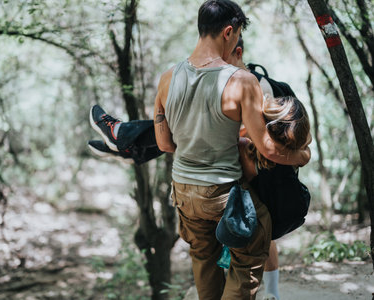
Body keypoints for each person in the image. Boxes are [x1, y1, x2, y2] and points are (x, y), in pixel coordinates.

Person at [91, 1, 311, 299]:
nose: (236, 44)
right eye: (236, 37)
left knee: (203, 260)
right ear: (228, 32)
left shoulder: (168, 78)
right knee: (253, 246)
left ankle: (120, 134)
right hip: (221, 193)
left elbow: (166, 144)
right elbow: (268, 149)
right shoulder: (242, 82)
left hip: (184, 193)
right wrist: (302, 155)